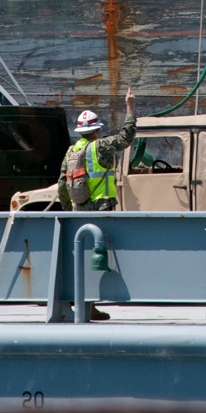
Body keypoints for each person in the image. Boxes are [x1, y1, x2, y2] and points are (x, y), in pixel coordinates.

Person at [58, 87, 137, 321]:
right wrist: (130, 108)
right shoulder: (99, 147)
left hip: (78, 208)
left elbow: (63, 183)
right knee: (98, 257)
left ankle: (79, 304)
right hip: (100, 209)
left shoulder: (72, 150)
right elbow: (126, 138)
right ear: (97, 129)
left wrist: (67, 208)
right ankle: (90, 306)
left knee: (80, 258)